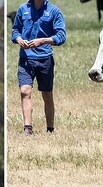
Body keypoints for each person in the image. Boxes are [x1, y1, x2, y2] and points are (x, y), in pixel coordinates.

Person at [11, 0, 67, 135]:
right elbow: (15, 31)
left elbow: (61, 36)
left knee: (47, 95)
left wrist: (41, 40)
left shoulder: (54, 11)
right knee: (25, 91)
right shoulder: (22, 8)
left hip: (45, 59)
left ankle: (50, 129)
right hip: (25, 58)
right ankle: (28, 129)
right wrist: (19, 39)